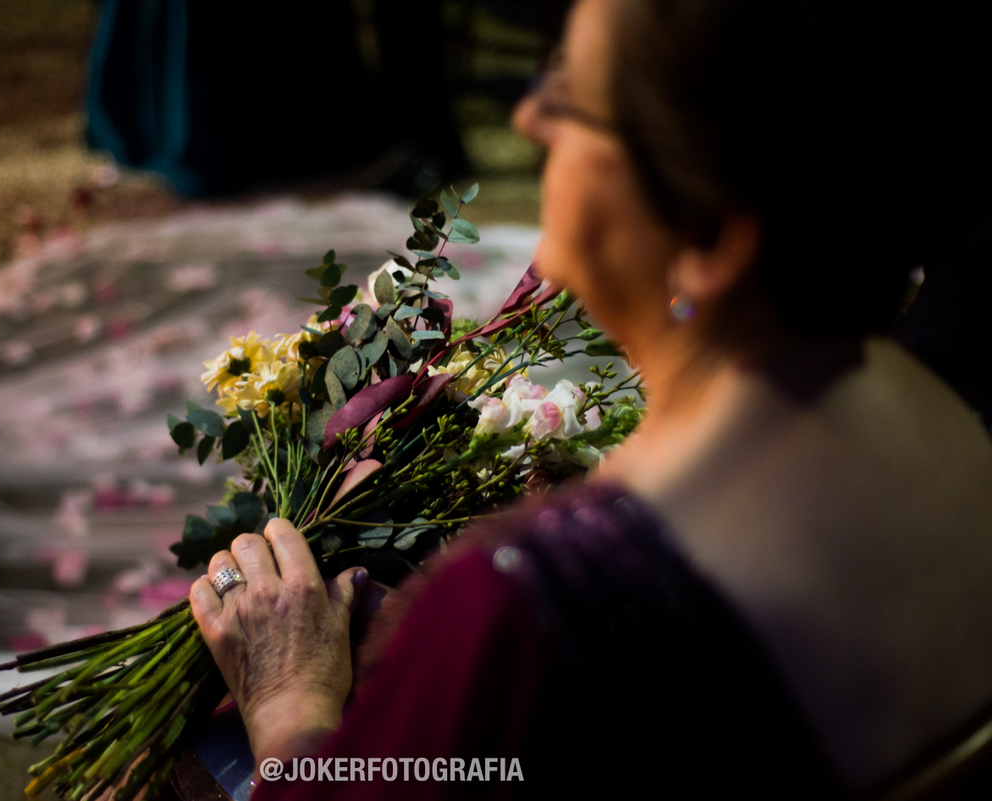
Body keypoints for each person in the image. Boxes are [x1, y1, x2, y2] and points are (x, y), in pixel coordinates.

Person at [187, 0, 992, 797]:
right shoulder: (957, 425)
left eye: (571, 99)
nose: (531, 119)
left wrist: (290, 705)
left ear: (709, 237)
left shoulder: (542, 599)